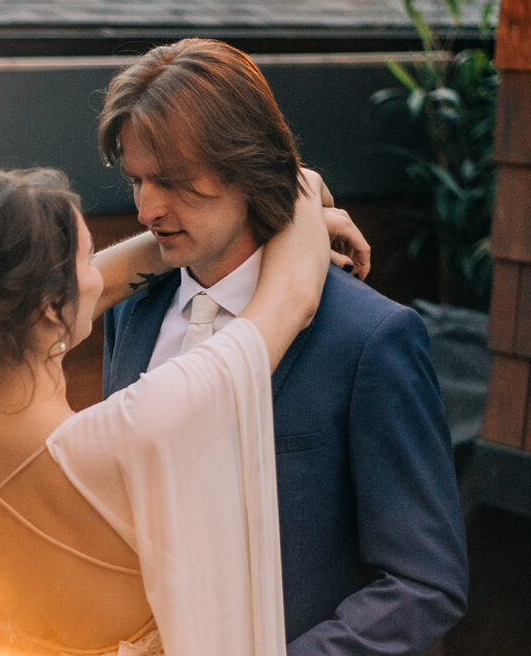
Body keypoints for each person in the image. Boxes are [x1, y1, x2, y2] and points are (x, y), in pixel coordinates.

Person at [0, 165, 366, 656]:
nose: (100, 279)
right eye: (88, 259)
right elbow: (292, 299)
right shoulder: (132, 432)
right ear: (51, 307)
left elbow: (104, 286)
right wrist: (296, 188)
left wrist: (230, 228)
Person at [97, 38, 468, 655]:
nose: (146, 208)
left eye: (172, 181)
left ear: (249, 167)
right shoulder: (129, 314)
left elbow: (424, 583)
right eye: (137, 180)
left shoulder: (371, 341)